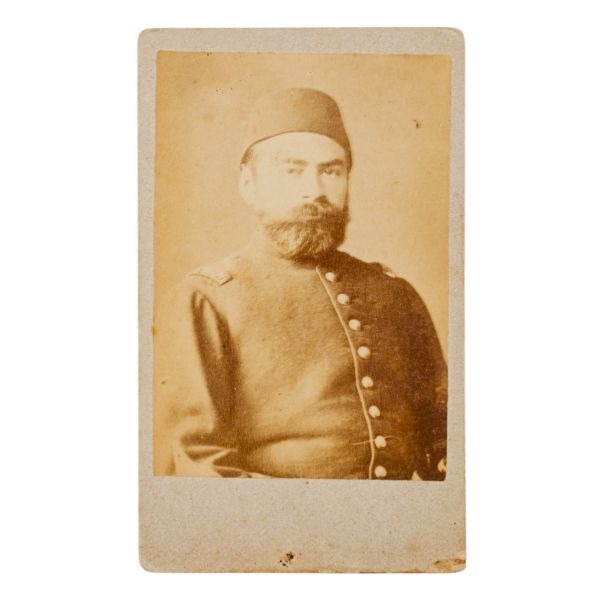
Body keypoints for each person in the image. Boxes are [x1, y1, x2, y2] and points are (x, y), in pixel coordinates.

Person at [153, 88, 447, 480]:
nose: (315, 190)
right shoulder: (205, 300)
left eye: (331, 171)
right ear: (248, 183)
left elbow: (448, 442)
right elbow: (197, 464)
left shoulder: (394, 294)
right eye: (292, 171)